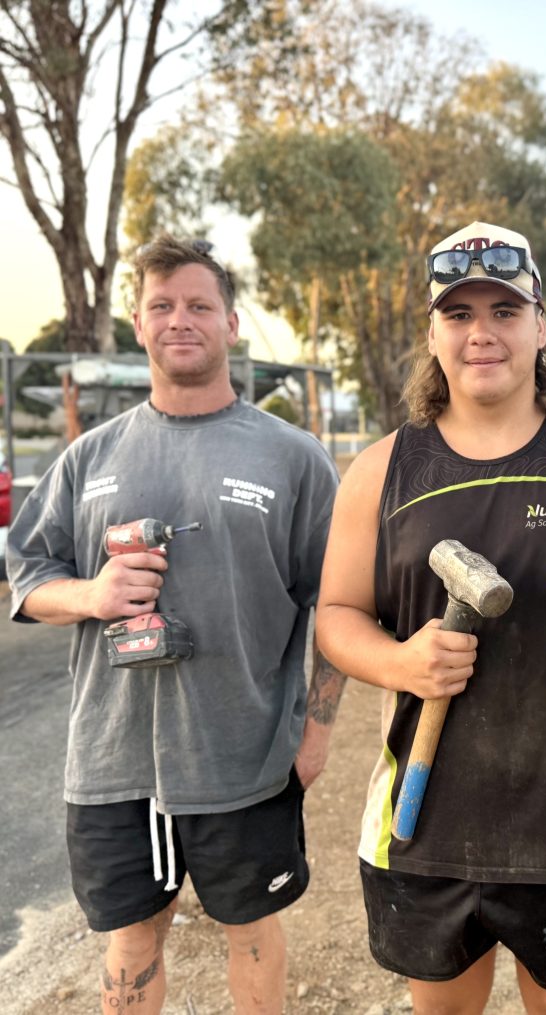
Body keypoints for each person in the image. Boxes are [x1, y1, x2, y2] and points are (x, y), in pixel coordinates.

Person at [315, 221, 546, 1015]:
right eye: (460, 314)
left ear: (541, 326)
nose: (483, 333)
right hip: (426, 822)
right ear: (433, 332)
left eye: (506, 311)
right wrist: (399, 662)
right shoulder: (381, 471)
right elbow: (337, 616)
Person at [6, 235, 344, 1014]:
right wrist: (92, 595)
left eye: (199, 305)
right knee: (130, 937)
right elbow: (29, 577)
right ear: (137, 321)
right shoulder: (90, 459)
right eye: (162, 305)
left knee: (251, 927)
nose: (179, 320)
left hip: (244, 754)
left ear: (231, 324)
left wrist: (315, 730)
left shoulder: (292, 458)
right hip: (111, 758)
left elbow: (332, 600)